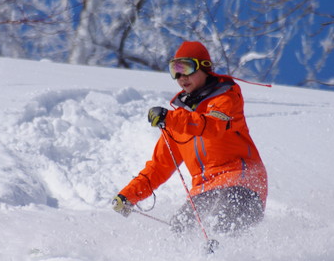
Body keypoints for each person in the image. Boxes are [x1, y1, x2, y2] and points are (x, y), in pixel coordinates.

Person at [111, 41, 268, 235]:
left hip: (240, 182)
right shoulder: (179, 120)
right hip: (204, 191)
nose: (181, 77)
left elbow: (212, 126)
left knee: (221, 224)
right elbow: (159, 166)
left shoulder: (226, 99)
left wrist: (171, 118)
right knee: (180, 230)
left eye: (186, 68)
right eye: (175, 70)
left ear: (204, 67)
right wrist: (128, 195)